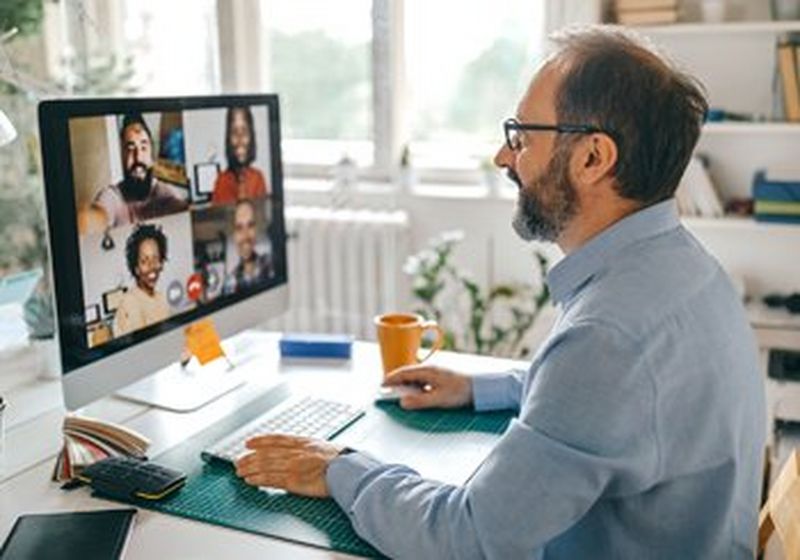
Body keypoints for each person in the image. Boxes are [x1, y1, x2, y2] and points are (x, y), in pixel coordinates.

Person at [233, 26, 766, 558]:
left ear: (592, 159)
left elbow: (467, 539)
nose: (503, 158)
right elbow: (619, 402)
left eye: (521, 137)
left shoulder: (608, 337)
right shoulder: (689, 273)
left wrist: (339, 468)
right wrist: (482, 388)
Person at [92, 113, 189, 228]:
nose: (138, 157)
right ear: (122, 155)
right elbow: (96, 216)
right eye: (130, 149)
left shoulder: (165, 193)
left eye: (143, 148)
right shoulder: (112, 196)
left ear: (151, 156)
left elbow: (180, 209)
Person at [114, 223, 170, 337]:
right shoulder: (130, 301)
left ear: (161, 263)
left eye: (156, 259)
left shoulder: (161, 297)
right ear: (136, 269)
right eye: (144, 261)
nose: (152, 266)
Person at [211, 106, 270, 205]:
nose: (240, 140)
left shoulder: (258, 178)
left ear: (251, 137)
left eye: (244, 131)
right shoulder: (221, 181)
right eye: (234, 132)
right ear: (228, 139)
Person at [224, 199, 274, 293]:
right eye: (239, 228)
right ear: (233, 235)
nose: (245, 235)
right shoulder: (230, 282)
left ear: (256, 229)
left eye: (250, 225)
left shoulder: (272, 263)